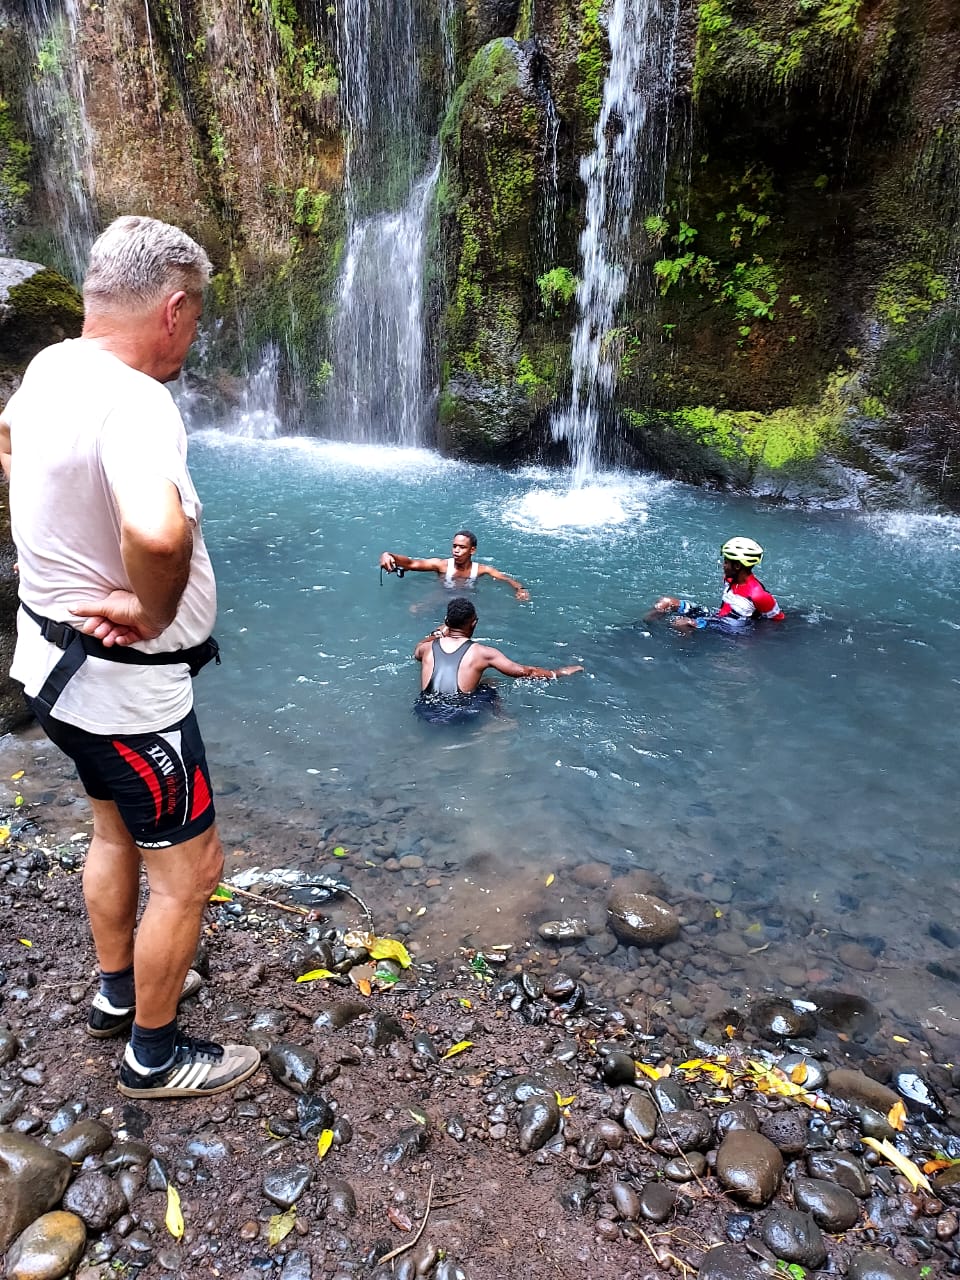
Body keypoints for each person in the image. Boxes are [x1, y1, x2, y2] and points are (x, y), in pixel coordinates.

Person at [0, 216, 260, 1100]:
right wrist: (148, 609)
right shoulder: (137, 401)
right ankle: (154, 1055)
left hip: (49, 673)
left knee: (113, 830)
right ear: (174, 310)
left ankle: (118, 994)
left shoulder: (50, 367)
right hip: (128, 700)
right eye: (197, 318)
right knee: (191, 873)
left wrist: (52, 548)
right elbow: (156, 528)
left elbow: (6, 441)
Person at [413, 597, 582, 723]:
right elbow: (525, 672)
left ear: (446, 622)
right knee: (491, 684)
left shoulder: (427, 648)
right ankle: (501, 719)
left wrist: (439, 632)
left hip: (424, 711)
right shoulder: (483, 653)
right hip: (457, 715)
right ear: (474, 624)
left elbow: (418, 650)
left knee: (479, 682)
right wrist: (557, 673)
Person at [651, 537, 785, 633]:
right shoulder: (730, 578)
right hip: (717, 617)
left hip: (729, 628)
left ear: (737, 566)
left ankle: (687, 655)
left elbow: (777, 620)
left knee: (681, 624)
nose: (723, 565)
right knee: (665, 602)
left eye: (726, 562)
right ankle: (644, 627)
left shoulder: (758, 595)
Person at [380, 529, 530, 600]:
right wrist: (389, 555)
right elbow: (412, 563)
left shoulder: (482, 570)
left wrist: (520, 589)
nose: (456, 551)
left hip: (467, 599)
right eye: (454, 546)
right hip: (441, 595)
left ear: (472, 550)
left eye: (462, 547)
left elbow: (506, 579)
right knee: (415, 610)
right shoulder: (442, 565)